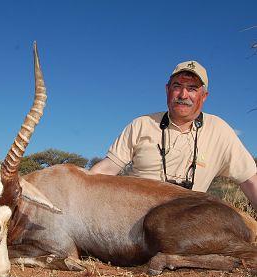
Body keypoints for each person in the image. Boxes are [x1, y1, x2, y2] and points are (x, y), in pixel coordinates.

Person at [90, 60, 257, 210]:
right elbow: (106, 169)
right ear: (167, 90)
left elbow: (250, 181)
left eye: (192, 89)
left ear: (204, 96)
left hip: (184, 224)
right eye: (177, 86)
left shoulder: (219, 130)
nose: (183, 95)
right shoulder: (141, 124)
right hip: (131, 218)